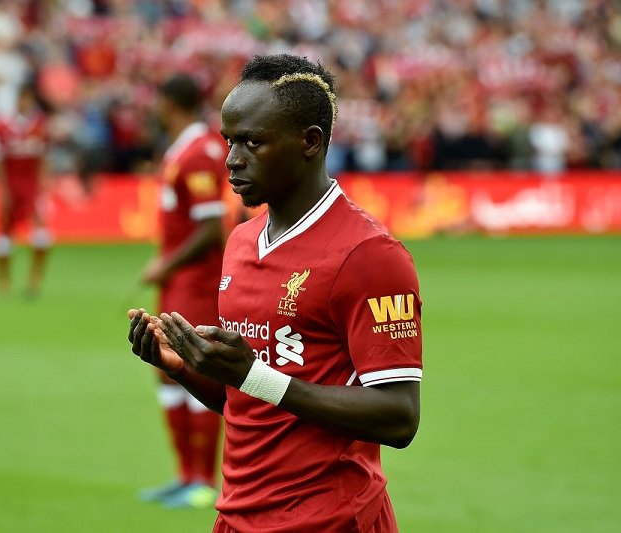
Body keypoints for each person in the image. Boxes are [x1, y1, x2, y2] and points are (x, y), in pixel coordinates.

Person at [128, 54, 422, 532]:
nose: (231, 159)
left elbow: (399, 416)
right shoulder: (242, 240)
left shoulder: (369, 255)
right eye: (229, 140)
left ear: (310, 142)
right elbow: (250, 403)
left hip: (330, 520)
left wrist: (254, 376)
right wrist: (184, 368)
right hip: (238, 517)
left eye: (253, 142)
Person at [138, 73, 227, 508]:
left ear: (170, 104)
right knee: (165, 369)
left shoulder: (197, 154)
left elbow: (212, 229)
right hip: (180, 282)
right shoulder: (185, 151)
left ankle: (202, 480)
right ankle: (185, 473)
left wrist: (164, 263)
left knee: (194, 368)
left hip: (196, 283)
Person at [0, 85, 52, 296]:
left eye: (28, 99)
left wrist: (44, 184)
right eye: (22, 99)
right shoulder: (2, 126)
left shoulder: (39, 125)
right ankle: (3, 279)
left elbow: (43, 158)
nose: (25, 103)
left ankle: (34, 279)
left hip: (32, 185)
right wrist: (2, 188)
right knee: (4, 230)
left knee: (41, 232)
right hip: (11, 184)